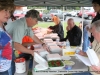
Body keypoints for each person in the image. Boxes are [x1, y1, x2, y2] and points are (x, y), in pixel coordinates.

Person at [5, 9, 46, 75]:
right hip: (3, 50)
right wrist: (31, 52)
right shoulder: (20, 25)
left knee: (12, 69)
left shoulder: (27, 25)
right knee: (9, 70)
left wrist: (43, 44)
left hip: (8, 48)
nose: (37, 23)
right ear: (30, 19)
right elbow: (17, 45)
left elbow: (33, 36)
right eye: (36, 20)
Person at [0, 1, 15, 75]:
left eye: (9, 11)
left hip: (7, 66)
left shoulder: (2, 27)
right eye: (5, 10)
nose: (8, 14)